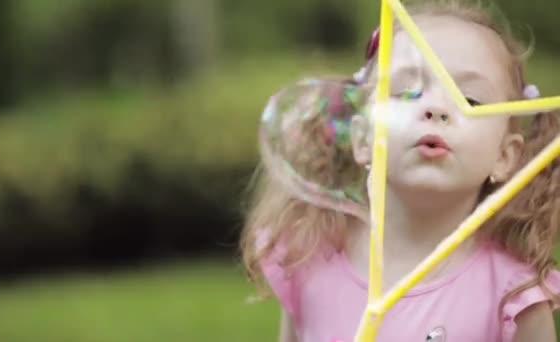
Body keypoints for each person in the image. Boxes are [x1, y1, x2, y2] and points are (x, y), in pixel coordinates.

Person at [240, 1, 560, 341]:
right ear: (361, 136)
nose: (436, 108)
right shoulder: (309, 260)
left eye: (471, 99)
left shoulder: (513, 296)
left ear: (505, 156)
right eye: (407, 91)